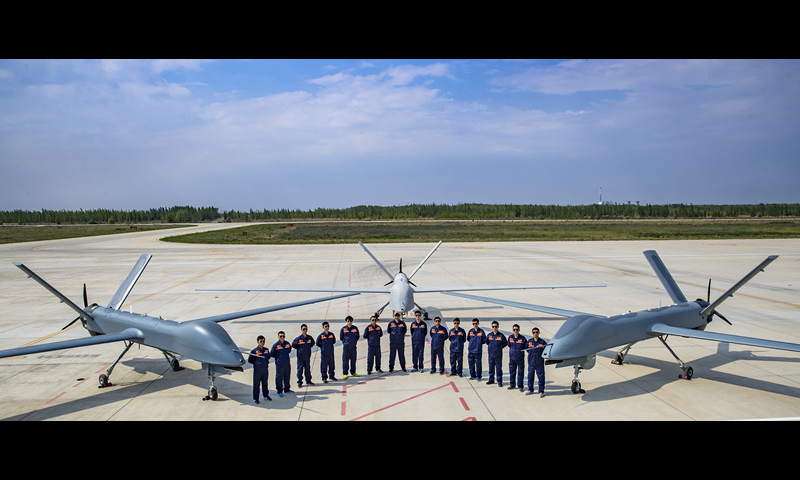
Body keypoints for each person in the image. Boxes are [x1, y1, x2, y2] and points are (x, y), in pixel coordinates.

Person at [248, 335, 271, 404]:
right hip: (257, 371)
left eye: (263, 341)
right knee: (256, 385)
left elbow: (268, 357)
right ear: (258, 342)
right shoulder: (254, 351)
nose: (262, 343)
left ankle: (266, 395)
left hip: (265, 370)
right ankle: (256, 398)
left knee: (265, 384)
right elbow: (250, 360)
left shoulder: (266, 350)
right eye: (261, 341)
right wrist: (257, 364)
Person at [270, 331, 293, 397]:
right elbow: (272, 354)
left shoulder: (287, 344)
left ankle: (287, 388)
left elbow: (289, 350)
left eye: (283, 336)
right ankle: (279, 390)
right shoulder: (275, 345)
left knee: (287, 376)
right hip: (279, 364)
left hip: (287, 363)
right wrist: (278, 359)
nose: (282, 337)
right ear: (278, 337)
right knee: (279, 377)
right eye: (281, 336)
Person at [526, 327, 547, 397]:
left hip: (539, 363)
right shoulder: (529, 341)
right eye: (534, 332)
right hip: (531, 363)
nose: (535, 333)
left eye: (536, 332)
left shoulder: (542, 342)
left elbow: (546, 350)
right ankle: (530, 389)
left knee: (541, 378)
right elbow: (527, 350)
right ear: (532, 333)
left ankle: (541, 391)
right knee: (530, 377)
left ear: (539, 333)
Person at [486, 321, 507, 387]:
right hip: (491, 354)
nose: (494, 328)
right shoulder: (489, 335)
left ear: (498, 327)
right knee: (491, 367)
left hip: (498, 355)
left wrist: (499, 347)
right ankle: (491, 379)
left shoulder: (501, 336)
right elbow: (487, 342)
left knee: (498, 368)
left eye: (495, 326)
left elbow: (505, 343)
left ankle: (499, 381)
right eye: (493, 326)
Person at [507, 324, 527, 391]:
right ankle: (512, 385)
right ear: (512, 330)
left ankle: (520, 386)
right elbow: (509, 345)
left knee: (520, 373)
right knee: (512, 372)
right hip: (512, 358)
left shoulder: (522, 338)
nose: (515, 331)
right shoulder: (510, 337)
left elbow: (525, 347)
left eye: (517, 329)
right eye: (514, 329)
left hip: (520, 358)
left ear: (519, 330)